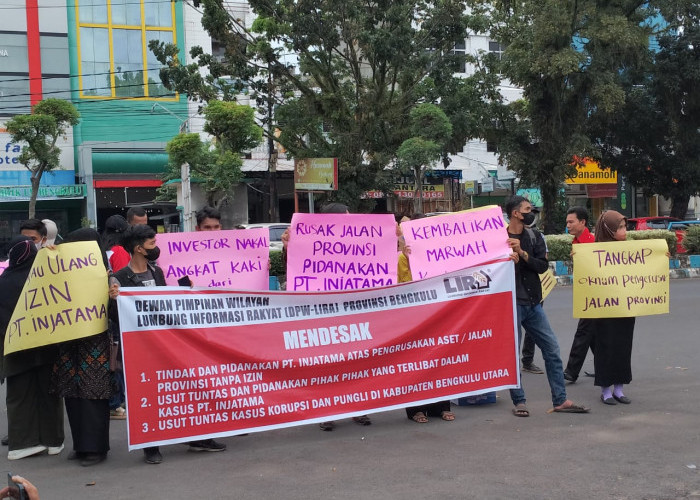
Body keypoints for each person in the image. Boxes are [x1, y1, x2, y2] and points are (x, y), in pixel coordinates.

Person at [109, 224, 227, 464]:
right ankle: (150, 445)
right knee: (146, 394)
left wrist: (185, 292)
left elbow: (165, 303)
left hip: (165, 342)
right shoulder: (119, 278)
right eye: (151, 244)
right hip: (139, 346)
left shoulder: (158, 272)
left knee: (185, 390)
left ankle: (197, 436)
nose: (156, 247)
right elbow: (114, 316)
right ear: (138, 248)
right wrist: (114, 300)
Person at [504, 196, 589, 416]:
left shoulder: (534, 237)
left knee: (551, 349)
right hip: (509, 305)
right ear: (515, 213)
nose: (531, 213)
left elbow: (542, 266)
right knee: (512, 354)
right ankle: (519, 401)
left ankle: (560, 399)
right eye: (527, 209)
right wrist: (506, 259)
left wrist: (522, 254)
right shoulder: (497, 238)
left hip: (533, 304)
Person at [50, 229, 112, 466]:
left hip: (94, 346)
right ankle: (80, 445)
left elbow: (114, 312)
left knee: (93, 395)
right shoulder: (65, 274)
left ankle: (96, 448)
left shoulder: (106, 275)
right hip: (69, 346)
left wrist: (112, 294)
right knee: (73, 396)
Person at [0, 237, 64, 460]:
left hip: (15, 350)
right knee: (50, 395)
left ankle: (22, 444)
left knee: (19, 397)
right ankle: (53, 440)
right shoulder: (43, 278)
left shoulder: (4, 281)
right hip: (46, 346)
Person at [399, 214, 455, 424]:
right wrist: (410, 260)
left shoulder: (442, 254)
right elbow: (400, 287)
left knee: (440, 358)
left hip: (438, 314)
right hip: (412, 317)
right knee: (414, 362)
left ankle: (441, 406)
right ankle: (416, 409)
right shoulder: (402, 258)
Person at [590, 210, 635, 405]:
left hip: (625, 306)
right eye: (620, 227)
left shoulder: (631, 251)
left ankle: (619, 388)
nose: (624, 230)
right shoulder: (595, 251)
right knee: (605, 346)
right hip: (604, 308)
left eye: (625, 226)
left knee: (623, 346)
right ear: (608, 229)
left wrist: (660, 257)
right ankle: (605, 390)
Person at [563, 206, 596, 383]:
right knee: (594, 335)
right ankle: (603, 366)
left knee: (583, 332)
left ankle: (571, 371)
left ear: (582, 222)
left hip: (595, 295)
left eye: (571, 222)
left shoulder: (593, 242)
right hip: (586, 293)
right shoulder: (577, 242)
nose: (568, 225)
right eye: (567, 222)